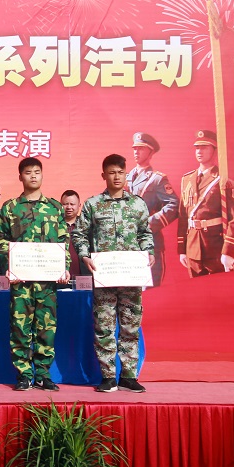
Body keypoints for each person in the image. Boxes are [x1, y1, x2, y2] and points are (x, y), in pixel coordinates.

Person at [73, 155, 154, 393]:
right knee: (104, 326)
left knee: (130, 325)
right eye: (111, 172)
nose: (116, 177)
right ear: (104, 175)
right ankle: (108, 376)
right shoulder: (93, 204)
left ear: (126, 174)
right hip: (105, 275)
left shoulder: (138, 204)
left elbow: (145, 233)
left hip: (131, 275)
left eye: (120, 172)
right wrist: (85, 255)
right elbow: (79, 233)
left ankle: (129, 375)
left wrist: (149, 252)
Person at [0, 157, 70, 392]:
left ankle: (43, 374)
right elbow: (1, 240)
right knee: (20, 327)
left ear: (42, 175)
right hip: (21, 280)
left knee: (46, 328)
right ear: (20, 176)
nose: (33, 176)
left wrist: (64, 267)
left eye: (37, 172)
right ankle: (23, 375)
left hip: (47, 282)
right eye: (28, 172)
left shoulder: (54, 207)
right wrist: (9, 265)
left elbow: (63, 241)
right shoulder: (10, 208)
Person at [176, 130, 234, 277]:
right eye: (197, 148)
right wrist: (182, 249)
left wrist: (229, 251)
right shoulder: (187, 179)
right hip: (192, 247)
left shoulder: (224, 179)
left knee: (220, 289)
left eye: (204, 147)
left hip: (215, 247)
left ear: (215, 150)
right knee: (196, 289)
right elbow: (183, 216)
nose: (199, 151)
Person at [127, 132, 177, 287]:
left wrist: (149, 224)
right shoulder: (126, 178)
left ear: (150, 152)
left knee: (151, 290)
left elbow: (173, 205)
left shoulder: (157, 179)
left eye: (141, 148)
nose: (136, 151)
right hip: (128, 244)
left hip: (150, 243)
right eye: (135, 148)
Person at [60, 190, 83, 277]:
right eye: (65, 204)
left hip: (83, 276)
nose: (69, 207)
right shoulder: (54, 225)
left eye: (72, 204)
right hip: (60, 276)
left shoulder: (86, 226)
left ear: (79, 205)